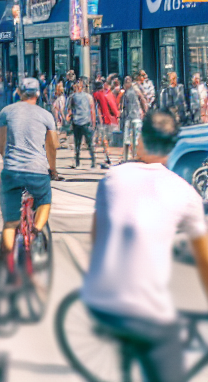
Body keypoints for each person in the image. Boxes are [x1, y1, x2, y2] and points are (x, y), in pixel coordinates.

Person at [81, 109, 208, 382]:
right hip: (145, 313)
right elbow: (204, 261)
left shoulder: (113, 177)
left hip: (98, 300)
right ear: (173, 148)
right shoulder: (186, 195)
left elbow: (96, 235)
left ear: (140, 139)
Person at [0, 77, 58, 272]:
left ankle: (10, 270)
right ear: (38, 94)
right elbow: (52, 146)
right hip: (38, 171)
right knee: (45, 201)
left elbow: (1, 145)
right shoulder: (46, 115)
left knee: (10, 223)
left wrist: (10, 161)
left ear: (19, 92)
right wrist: (53, 169)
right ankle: (36, 232)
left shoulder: (6, 112)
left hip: (12, 171)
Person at [66, 79, 97, 170]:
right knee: (89, 143)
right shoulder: (88, 97)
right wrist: (93, 122)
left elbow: (69, 110)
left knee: (78, 144)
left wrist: (69, 119)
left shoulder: (72, 97)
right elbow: (92, 109)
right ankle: (93, 162)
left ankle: (78, 162)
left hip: (77, 122)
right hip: (86, 122)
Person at [93, 78, 119, 169]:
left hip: (103, 120)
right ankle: (109, 158)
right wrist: (117, 116)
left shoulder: (96, 95)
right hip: (111, 120)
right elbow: (113, 106)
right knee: (108, 140)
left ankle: (109, 158)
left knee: (105, 140)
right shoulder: (108, 94)